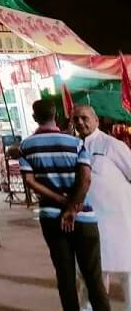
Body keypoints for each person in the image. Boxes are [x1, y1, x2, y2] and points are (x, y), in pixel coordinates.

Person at [20, 98, 110, 311]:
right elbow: (86, 178)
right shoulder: (76, 143)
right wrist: (72, 207)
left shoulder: (26, 146)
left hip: (52, 218)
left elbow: (29, 181)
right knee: (93, 277)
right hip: (84, 217)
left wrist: (60, 202)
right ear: (57, 116)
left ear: (34, 118)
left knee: (65, 275)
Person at [73, 104, 131, 310]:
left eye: (84, 118)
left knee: (128, 275)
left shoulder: (112, 145)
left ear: (96, 120)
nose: (80, 122)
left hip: (120, 223)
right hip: (89, 225)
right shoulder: (74, 147)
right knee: (92, 277)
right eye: (76, 119)